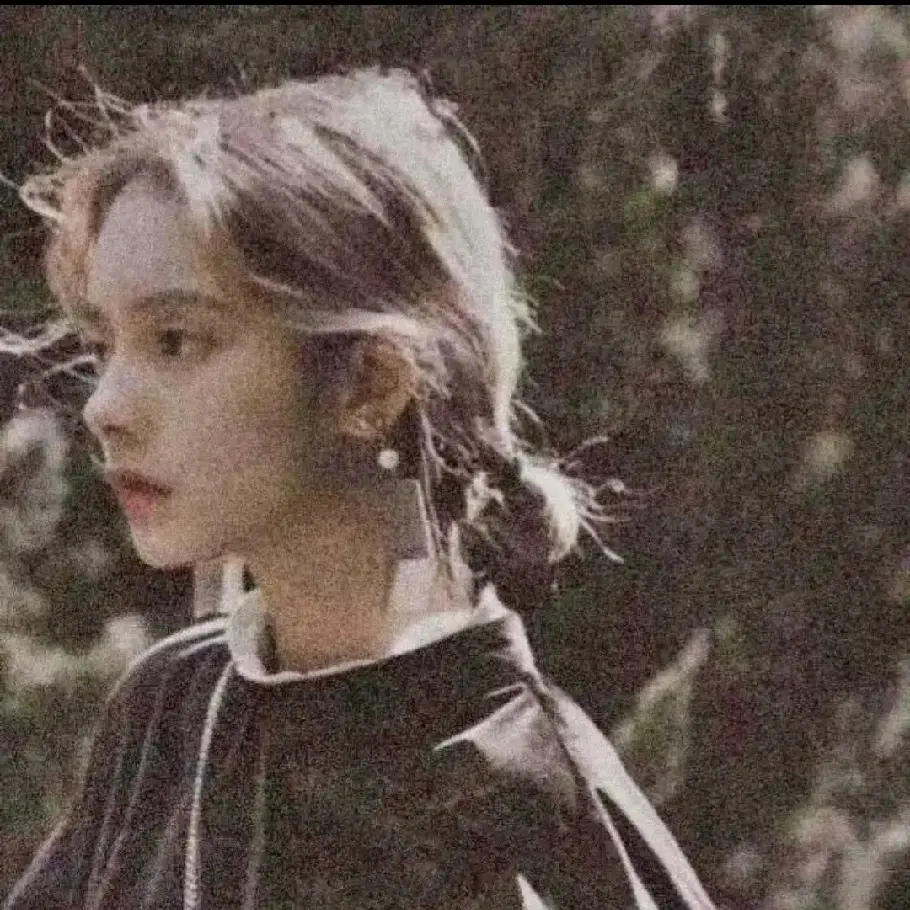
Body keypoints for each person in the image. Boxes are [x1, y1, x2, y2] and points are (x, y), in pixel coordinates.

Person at [2, 68, 717, 909]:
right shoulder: (171, 712)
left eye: (177, 340)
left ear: (371, 385)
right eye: (103, 344)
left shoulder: (520, 816)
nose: (104, 408)